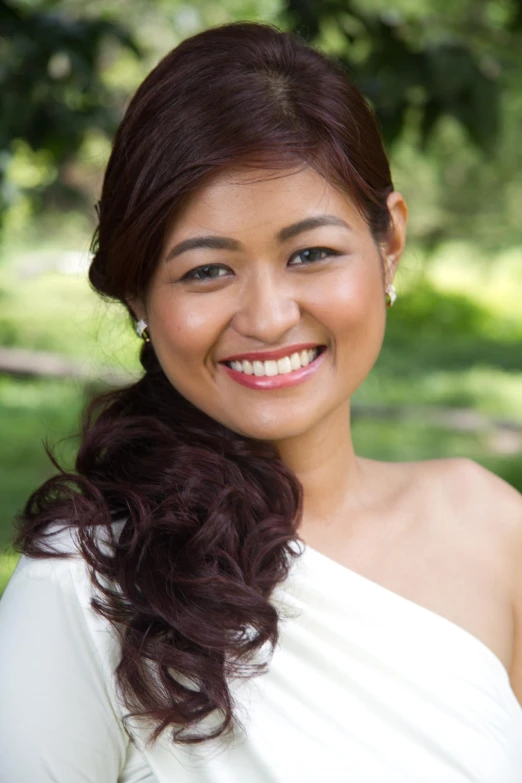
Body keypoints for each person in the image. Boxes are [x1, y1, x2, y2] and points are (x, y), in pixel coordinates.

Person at [0, 19, 521, 783]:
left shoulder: (491, 526)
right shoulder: (85, 585)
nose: (270, 316)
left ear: (390, 245)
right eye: (207, 270)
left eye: (311, 254)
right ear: (139, 293)